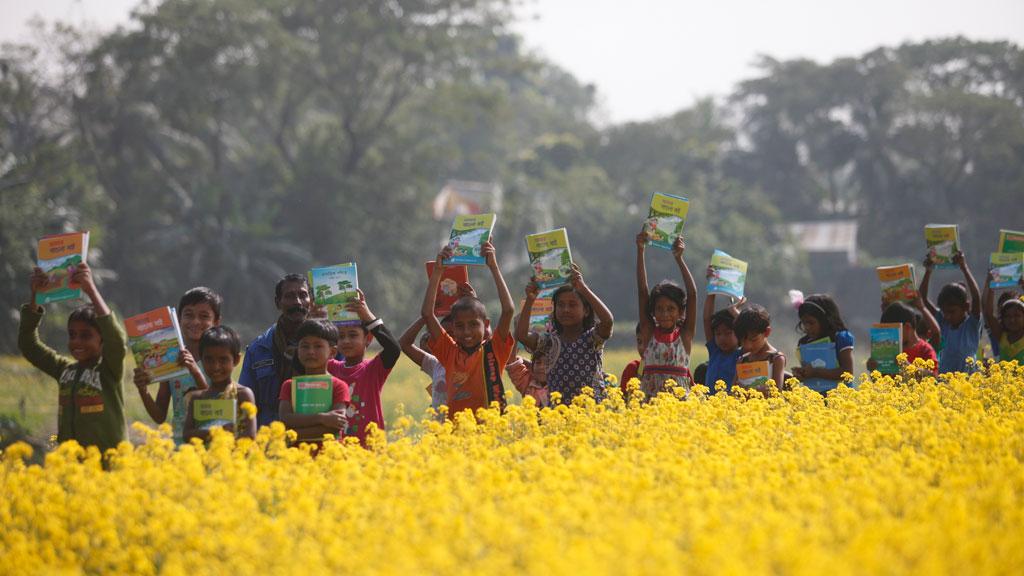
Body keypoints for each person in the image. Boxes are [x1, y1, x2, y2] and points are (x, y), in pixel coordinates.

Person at [18, 262, 128, 452]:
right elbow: (29, 346)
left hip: (108, 467)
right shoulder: (64, 371)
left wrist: (90, 289)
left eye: (86, 336)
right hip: (71, 465)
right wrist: (36, 295)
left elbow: (116, 340)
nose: (76, 341)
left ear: (103, 340)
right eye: (72, 334)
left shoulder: (109, 370)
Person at [421, 241, 515, 417]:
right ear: (452, 329)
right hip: (456, 437)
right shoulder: (449, 353)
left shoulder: (494, 351)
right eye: (459, 326)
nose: (466, 332)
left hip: (490, 436)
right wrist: (438, 273)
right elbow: (427, 314)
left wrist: (493, 266)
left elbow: (508, 310)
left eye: (473, 324)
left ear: (486, 325)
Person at [515, 263, 614, 404]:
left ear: (586, 311)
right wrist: (530, 300)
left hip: (590, 412)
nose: (566, 310)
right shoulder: (550, 342)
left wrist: (583, 288)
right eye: (560, 305)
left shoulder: (592, 339)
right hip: (559, 412)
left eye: (572, 305)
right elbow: (522, 336)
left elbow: (607, 321)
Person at [135, 287, 222, 444]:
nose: (195, 322)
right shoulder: (171, 362)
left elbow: (214, 407)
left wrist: (195, 371)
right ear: (178, 319)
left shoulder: (219, 360)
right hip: (179, 446)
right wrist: (143, 389)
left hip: (211, 445)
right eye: (188, 315)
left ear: (216, 322)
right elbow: (159, 416)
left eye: (204, 316)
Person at [239, 273, 314, 427]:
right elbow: (245, 404)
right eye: (289, 296)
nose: (297, 302)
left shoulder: (327, 346)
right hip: (269, 437)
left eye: (303, 295)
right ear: (278, 303)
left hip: (316, 435)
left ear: (311, 302)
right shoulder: (258, 349)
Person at [326, 289, 399, 444]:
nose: (345, 341)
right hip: (337, 452)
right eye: (341, 336)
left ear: (368, 339)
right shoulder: (330, 369)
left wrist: (367, 316)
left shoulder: (373, 369)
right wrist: (314, 318)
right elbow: (305, 356)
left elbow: (393, 349)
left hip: (369, 451)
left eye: (353, 335)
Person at [635, 233, 697, 399]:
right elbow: (642, 291)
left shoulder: (685, 335)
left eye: (671, 309)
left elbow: (692, 294)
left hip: (679, 407)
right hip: (650, 406)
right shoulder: (649, 333)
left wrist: (679, 259)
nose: (664, 314)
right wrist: (640, 250)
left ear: (681, 312)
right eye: (659, 309)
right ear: (653, 312)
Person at [279, 320, 351, 444]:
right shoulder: (289, 386)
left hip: (330, 456)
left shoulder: (338, 386)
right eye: (305, 346)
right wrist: (322, 418)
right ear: (298, 350)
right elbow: (285, 419)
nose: (310, 351)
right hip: (295, 457)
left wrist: (293, 433)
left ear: (332, 352)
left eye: (318, 346)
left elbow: (335, 425)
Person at [184, 326, 257, 442]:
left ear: (236, 360)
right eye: (209, 360)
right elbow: (187, 435)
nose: (216, 366)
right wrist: (216, 432)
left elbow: (251, 435)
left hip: (235, 459)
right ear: (201, 359)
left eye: (223, 360)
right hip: (204, 459)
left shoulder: (243, 395)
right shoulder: (197, 398)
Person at [920, 251, 982, 374]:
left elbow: (976, 297)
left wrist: (964, 267)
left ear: (966, 307)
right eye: (944, 312)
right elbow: (922, 299)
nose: (947, 316)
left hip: (968, 385)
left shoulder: (971, 325)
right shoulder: (942, 323)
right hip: (945, 383)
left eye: (952, 312)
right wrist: (928, 271)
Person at [791, 294, 855, 394]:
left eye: (811, 323)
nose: (807, 327)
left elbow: (847, 372)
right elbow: (808, 372)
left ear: (825, 320)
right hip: (815, 400)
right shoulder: (804, 343)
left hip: (842, 399)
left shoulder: (841, 338)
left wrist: (816, 372)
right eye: (804, 323)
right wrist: (801, 374)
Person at [869, 300, 938, 375]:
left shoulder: (925, 349)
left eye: (891, 332)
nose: (888, 338)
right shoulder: (888, 351)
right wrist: (873, 370)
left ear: (907, 327)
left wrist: (907, 367)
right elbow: (881, 381)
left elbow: (933, 376)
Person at [733, 304, 787, 395]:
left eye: (753, 340)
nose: (748, 346)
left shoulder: (776, 359)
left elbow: (776, 393)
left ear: (767, 332)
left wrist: (746, 390)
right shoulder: (742, 360)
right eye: (742, 341)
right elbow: (733, 391)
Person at [702, 286, 745, 393]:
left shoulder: (742, 355)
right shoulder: (715, 351)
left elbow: (748, 328)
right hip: (710, 405)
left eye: (728, 333)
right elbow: (707, 320)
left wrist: (734, 311)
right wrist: (712, 289)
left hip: (730, 405)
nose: (722, 338)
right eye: (718, 334)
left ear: (739, 333)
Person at [982, 273, 1024, 363]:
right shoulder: (1001, 336)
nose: (1012, 320)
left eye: (1017, 315)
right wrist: (991, 285)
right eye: (1007, 316)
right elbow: (988, 313)